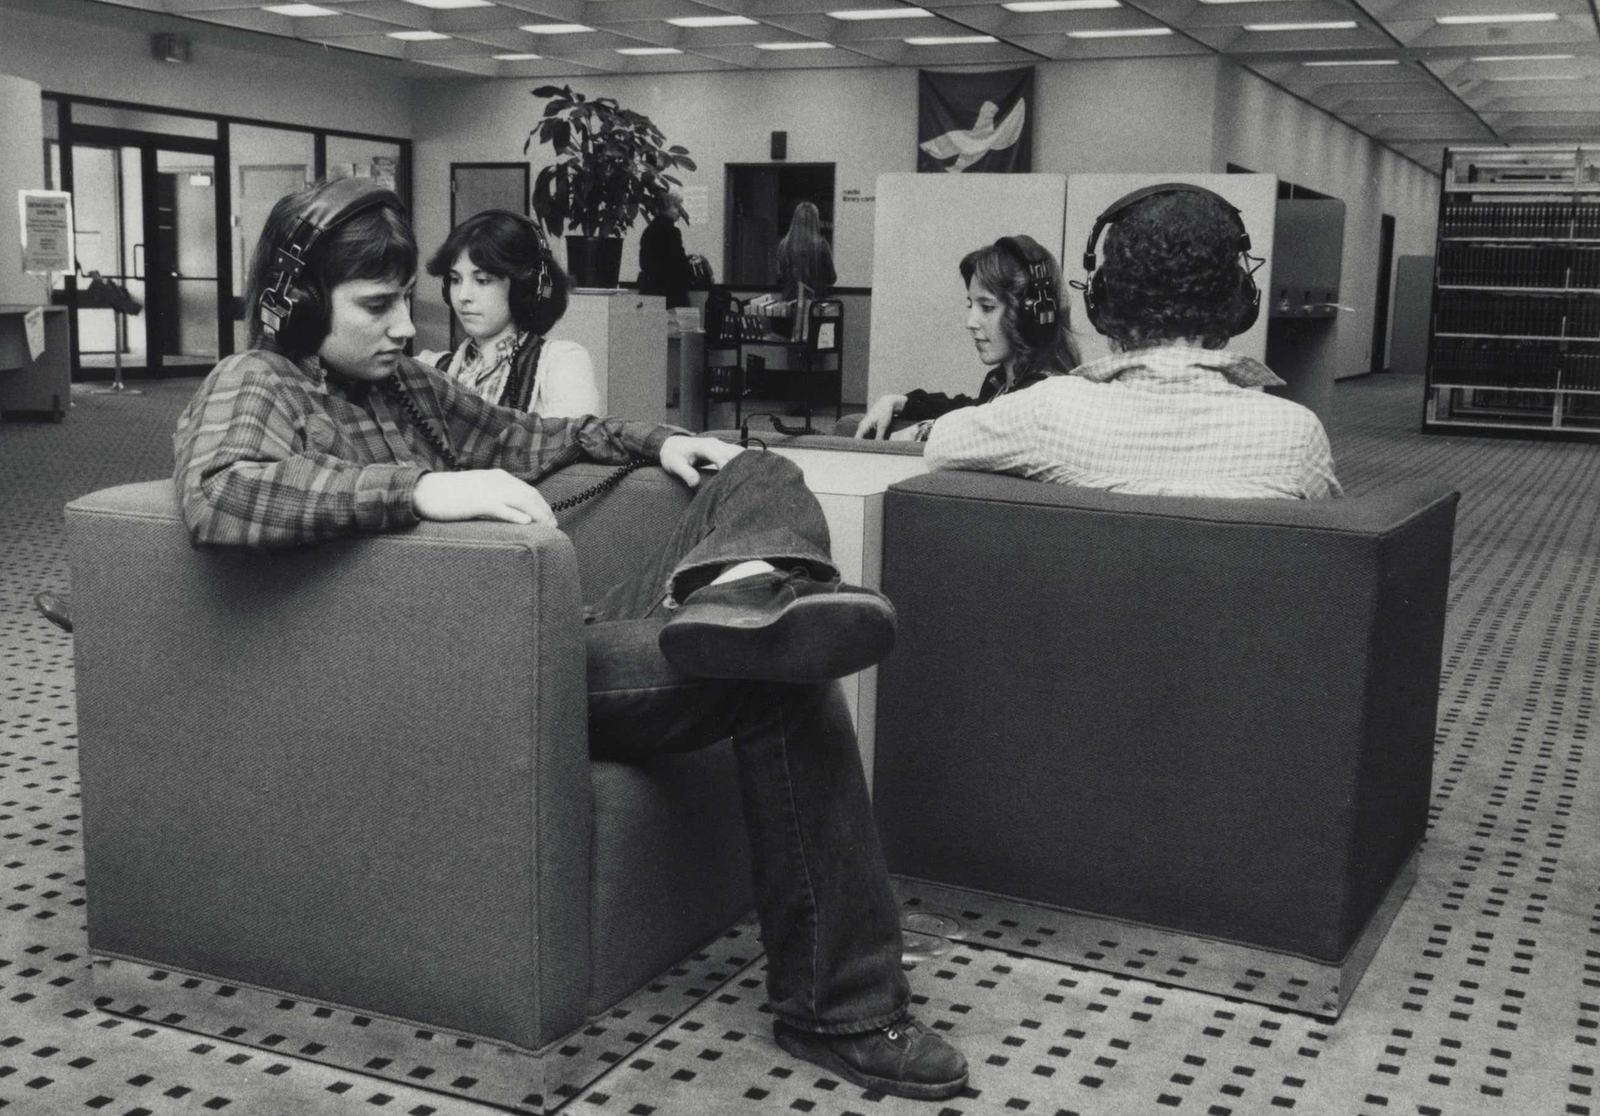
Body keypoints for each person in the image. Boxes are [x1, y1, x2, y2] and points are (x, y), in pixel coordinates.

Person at [169, 178, 968, 1102]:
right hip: (477, 670)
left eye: (405, 305)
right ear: (299, 303)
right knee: (781, 677)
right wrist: (418, 491)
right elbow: (219, 489)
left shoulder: (400, 382)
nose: (403, 327)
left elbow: (535, 435)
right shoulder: (256, 381)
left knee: (757, 467)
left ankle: (742, 593)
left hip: (544, 626)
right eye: (377, 306)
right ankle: (848, 1006)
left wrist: (659, 440)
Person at [925, 184, 1343, 500]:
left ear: (1102, 298)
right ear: (1237, 298)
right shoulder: (1297, 436)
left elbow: (940, 446)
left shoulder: (1047, 411)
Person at [856, 235, 1078, 440]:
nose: (970, 322)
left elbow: (985, 430)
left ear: (1031, 315)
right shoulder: (1000, 382)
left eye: (988, 307)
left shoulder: (1039, 397)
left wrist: (921, 433)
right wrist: (901, 402)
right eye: (971, 305)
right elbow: (971, 409)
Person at [420, 209, 598, 417]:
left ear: (525, 288)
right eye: (455, 280)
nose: (463, 296)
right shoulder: (429, 366)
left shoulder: (561, 362)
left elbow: (571, 445)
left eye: (482, 280)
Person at [637, 189, 695, 310]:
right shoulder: (672, 232)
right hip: (669, 292)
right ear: (665, 208)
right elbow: (677, 263)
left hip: (649, 290)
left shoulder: (649, 230)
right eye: (676, 207)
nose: (679, 211)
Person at [776, 200, 835, 302]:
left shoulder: (784, 245)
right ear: (816, 221)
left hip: (789, 303)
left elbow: (780, 277)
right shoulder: (821, 245)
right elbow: (831, 278)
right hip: (816, 304)